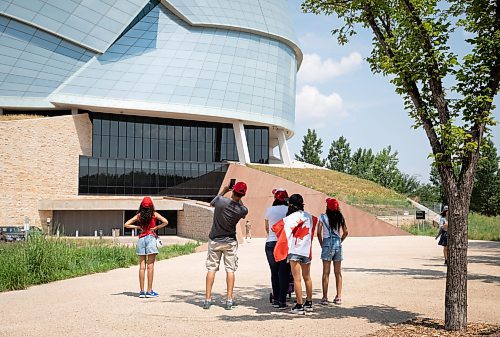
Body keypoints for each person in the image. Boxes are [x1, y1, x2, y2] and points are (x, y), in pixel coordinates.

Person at [204, 181, 248, 310]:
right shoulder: (242, 209)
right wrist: (238, 199)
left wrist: (224, 191)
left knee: (211, 268)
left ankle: (207, 299)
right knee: (230, 269)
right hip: (230, 241)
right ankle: (229, 300)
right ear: (243, 195)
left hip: (215, 239)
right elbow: (244, 212)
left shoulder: (221, 201)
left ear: (233, 190)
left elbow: (211, 203)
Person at [272, 194, 317, 315]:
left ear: (290, 205)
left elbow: (279, 229)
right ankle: (309, 303)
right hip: (306, 250)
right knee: (307, 277)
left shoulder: (291, 217)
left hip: (295, 250)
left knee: (297, 279)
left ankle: (299, 305)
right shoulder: (310, 217)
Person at [124, 197, 169, 298]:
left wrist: (137, 227)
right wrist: (156, 228)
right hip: (151, 238)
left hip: (141, 239)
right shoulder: (154, 214)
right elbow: (165, 221)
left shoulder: (139, 216)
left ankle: (141, 291)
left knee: (141, 267)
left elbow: (126, 224)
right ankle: (149, 291)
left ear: (142, 206)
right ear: (151, 205)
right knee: (150, 266)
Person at [317, 198, 348, 305]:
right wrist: (340, 241)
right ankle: (338, 296)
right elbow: (346, 232)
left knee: (326, 272)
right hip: (337, 244)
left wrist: (322, 244)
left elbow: (318, 233)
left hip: (326, 243)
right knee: (338, 272)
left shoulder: (322, 217)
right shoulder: (341, 218)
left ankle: (325, 297)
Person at [264, 188, 290, 310]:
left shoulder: (269, 210)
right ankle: (282, 301)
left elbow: (267, 228)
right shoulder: (289, 210)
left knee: (274, 272)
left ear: (275, 198)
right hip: (284, 243)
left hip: (270, 243)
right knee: (283, 273)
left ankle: (275, 299)